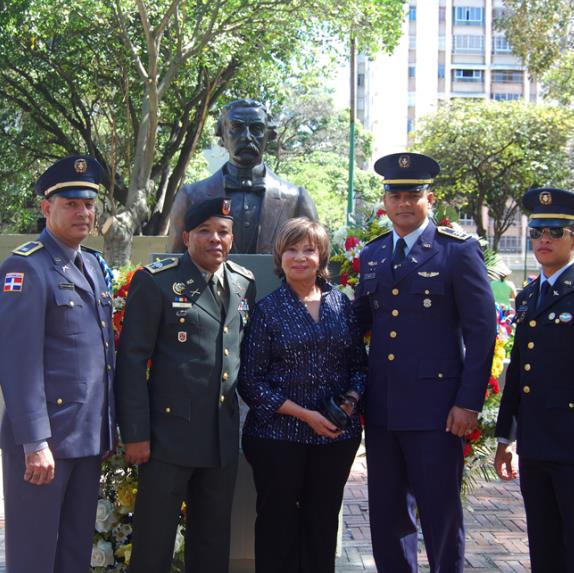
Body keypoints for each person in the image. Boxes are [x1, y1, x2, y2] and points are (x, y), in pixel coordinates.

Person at [353, 152, 497, 573]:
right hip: (383, 410)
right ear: (385, 201)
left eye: (412, 194)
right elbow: (359, 325)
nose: (403, 203)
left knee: (440, 515)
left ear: (428, 198)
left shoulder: (457, 252)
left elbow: (481, 332)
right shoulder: (373, 254)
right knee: (387, 516)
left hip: (438, 411)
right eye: (395, 194)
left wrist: (468, 403)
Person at [116, 197, 257, 573]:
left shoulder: (243, 283)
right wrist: (135, 433)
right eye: (205, 231)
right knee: (153, 542)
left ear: (232, 237)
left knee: (212, 544)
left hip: (220, 437)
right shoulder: (157, 281)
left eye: (223, 232)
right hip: (168, 437)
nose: (216, 239)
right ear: (186, 236)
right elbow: (131, 360)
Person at [0, 155, 116, 572]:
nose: (83, 212)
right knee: (34, 555)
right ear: (47, 208)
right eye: (71, 204)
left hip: (85, 438)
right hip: (44, 444)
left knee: (74, 552)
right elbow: (17, 361)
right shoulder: (26, 268)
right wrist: (34, 442)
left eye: (89, 204)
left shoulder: (94, 265)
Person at [494, 187, 574, 573]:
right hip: (535, 447)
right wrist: (506, 437)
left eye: (555, 231)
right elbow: (520, 371)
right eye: (537, 232)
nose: (544, 240)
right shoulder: (530, 295)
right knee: (544, 548)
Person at [238, 217, 366, 573]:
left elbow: (359, 364)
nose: (299, 257)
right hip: (277, 438)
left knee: (322, 523)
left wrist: (350, 402)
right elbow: (251, 381)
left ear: (321, 256)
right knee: (277, 526)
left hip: (335, 439)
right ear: (279, 257)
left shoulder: (341, 305)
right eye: (291, 249)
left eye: (308, 249)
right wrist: (306, 415)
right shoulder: (267, 310)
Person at [166, 99, 318, 254]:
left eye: (256, 128)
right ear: (222, 134)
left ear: (269, 135)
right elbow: (174, 262)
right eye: (236, 127)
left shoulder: (297, 199)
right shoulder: (191, 196)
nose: (246, 136)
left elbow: (316, 261)